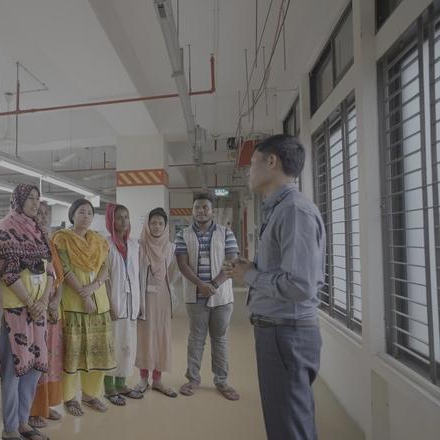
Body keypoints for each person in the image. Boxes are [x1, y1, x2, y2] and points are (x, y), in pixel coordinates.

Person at [225, 135, 324, 440]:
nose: (248, 171)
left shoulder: (294, 211)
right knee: (285, 421)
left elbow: (300, 284)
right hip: (279, 331)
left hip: (286, 333)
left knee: (289, 427)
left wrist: (250, 276)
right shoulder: (279, 209)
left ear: (272, 162)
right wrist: (251, 269)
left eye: (252, 163)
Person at [0, 184, 53, 440]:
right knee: (14, 370)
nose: (35, 202)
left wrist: (44, 302)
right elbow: (8, 271)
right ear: (17, 200)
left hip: (37, 311)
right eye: (30, 198)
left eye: (38, 198)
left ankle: (24, 421)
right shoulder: (6, 227)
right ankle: (10, 428)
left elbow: (50, 270)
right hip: (14, 310)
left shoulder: (38, 230)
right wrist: (30, 302)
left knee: (34, 368)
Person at [176, 193, 241, 401]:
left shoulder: (226, 233)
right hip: (195, 297)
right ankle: (193, 379)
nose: (201, 211)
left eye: (205, 207)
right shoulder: (183, 234)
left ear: (212, 210)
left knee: (219, 339)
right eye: (197, 208)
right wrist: (200, 285)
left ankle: (221, 380)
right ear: (192, 210)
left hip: (221, 296)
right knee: (196, 339)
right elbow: (182, 264)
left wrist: (213, 284)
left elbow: (232, 262)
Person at [53, 198, 114, 417]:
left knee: (97, 352)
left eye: (89, 212)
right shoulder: (61, 239)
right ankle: (70, 398)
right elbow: (64, 270)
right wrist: (84, 293)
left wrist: (94, 288)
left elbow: (105, 268)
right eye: (81, 212)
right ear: (72, 214)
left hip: (99, 304)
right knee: (73, 353)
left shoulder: (99, 240)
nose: (86, 216)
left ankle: (90, 394)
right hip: (74, 305)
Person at [135, 207, 179, 398]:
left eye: (161, 223)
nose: (157, 226)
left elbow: (173, 273)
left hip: (162, 297)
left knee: (161, 336)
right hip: (144, 296)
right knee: (145, 337)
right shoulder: (139, 246)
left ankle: (158, 380)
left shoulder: (170, 247)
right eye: (153, 222)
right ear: (147, 224)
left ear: (165, 226)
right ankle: (143, 379)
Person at [102, 204, 143, 406]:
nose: (123, 221)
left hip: (131, 304)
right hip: (115, 304)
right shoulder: (106, 245)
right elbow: (106, 278)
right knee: (114, 346)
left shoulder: (134, 245)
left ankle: (122, 384)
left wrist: (139, 302)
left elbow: (137, 276)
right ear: (111, 220)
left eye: (126, 217)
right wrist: (109, 304)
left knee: (128, 345)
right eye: (119, 217)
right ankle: (109, 388)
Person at [28, 201, 64, 429]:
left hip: (51, 313)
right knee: (34, 363)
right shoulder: (23, 242)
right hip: (33, 313)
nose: (41, 216)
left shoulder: (49, 243)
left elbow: (58, 277)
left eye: (45, 213)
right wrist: (42, 304)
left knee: (50, 362)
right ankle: (31, 410)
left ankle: (46, 405)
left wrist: (56, 302)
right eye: (37, 212)